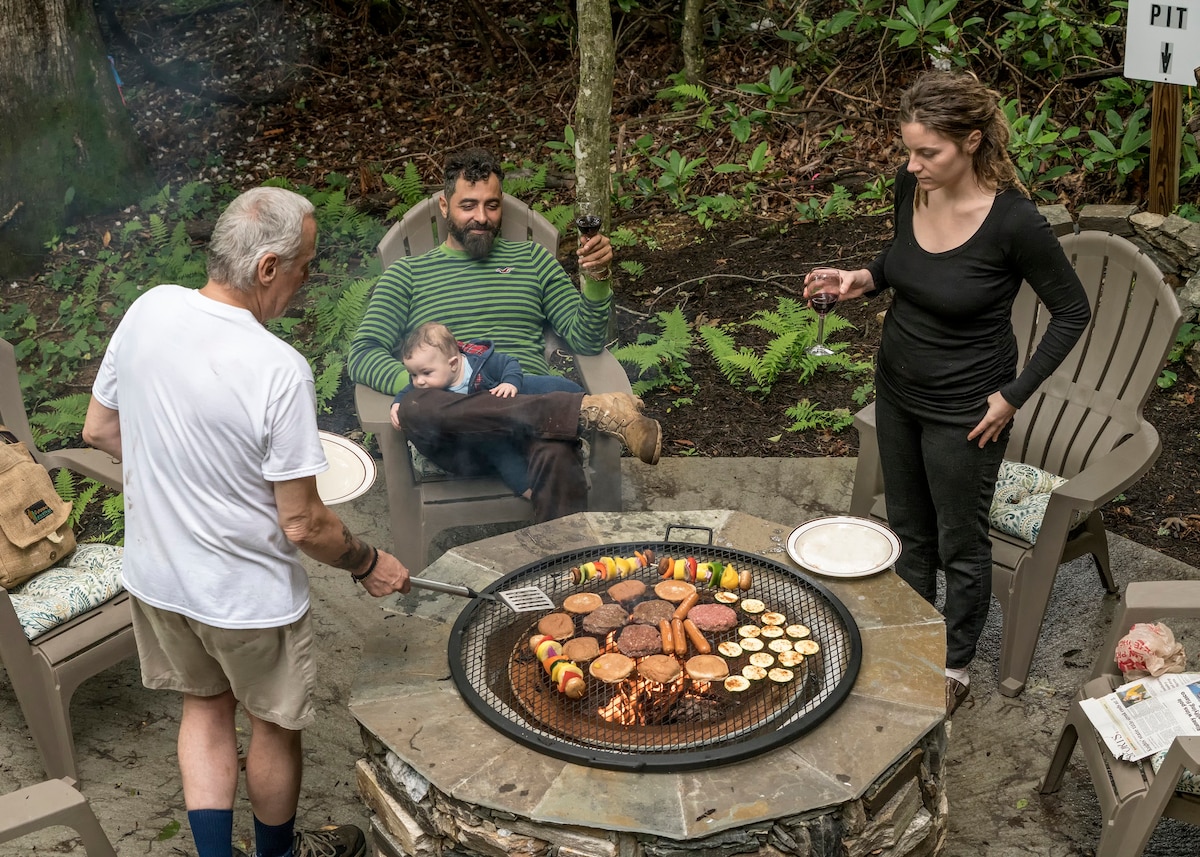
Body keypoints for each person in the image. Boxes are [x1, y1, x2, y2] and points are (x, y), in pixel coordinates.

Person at [82, 187, 412, 857]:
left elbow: (100, 427)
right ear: (267, 268)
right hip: (245, 598)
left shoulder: (149, 309)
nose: (307, 279)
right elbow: (305, 523)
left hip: (159, 579)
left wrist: (181, 474)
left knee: (203, 708)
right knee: (271, 723)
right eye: (305, 266)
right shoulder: (278, 369)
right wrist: (368, 562)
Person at [803, 71, 1091, 718]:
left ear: (972, 141)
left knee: (960, 542)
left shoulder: (1014, 223)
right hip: (898, 386)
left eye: (927, 152)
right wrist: (863, 278)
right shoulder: (913, 187)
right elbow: (902, 256)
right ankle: (911, 638)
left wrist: (1013, 395)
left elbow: (1073, 312)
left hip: (968, 409)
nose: (912, 165)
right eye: (909, 151)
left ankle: (954, 662)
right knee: (908, 529)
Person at [349, 148, 661, 522]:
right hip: (453, 429)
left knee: (556, 452)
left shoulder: (532, 260)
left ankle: (565, 571)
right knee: (416, 405)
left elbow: (587, 341)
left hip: (523, 407)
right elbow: (363, 352)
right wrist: (426, 381)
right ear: (444, 206)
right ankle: (584, 412)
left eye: (492, 205)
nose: (481, 218)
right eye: (468, 206)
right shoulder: (407, 275)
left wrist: (596, 280)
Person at [390, 321, 583, 499]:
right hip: (472, 444)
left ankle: (579, 404)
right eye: (413, 374)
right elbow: (407, 390)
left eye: (425, 373)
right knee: (414, 404)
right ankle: (527, 488)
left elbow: (510, 364)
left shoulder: (480, 363)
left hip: (512, 418)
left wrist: (510, 383)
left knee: (529, 391)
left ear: (453, 364)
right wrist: (398, 403)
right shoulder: (424, 386)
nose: (419, 381)